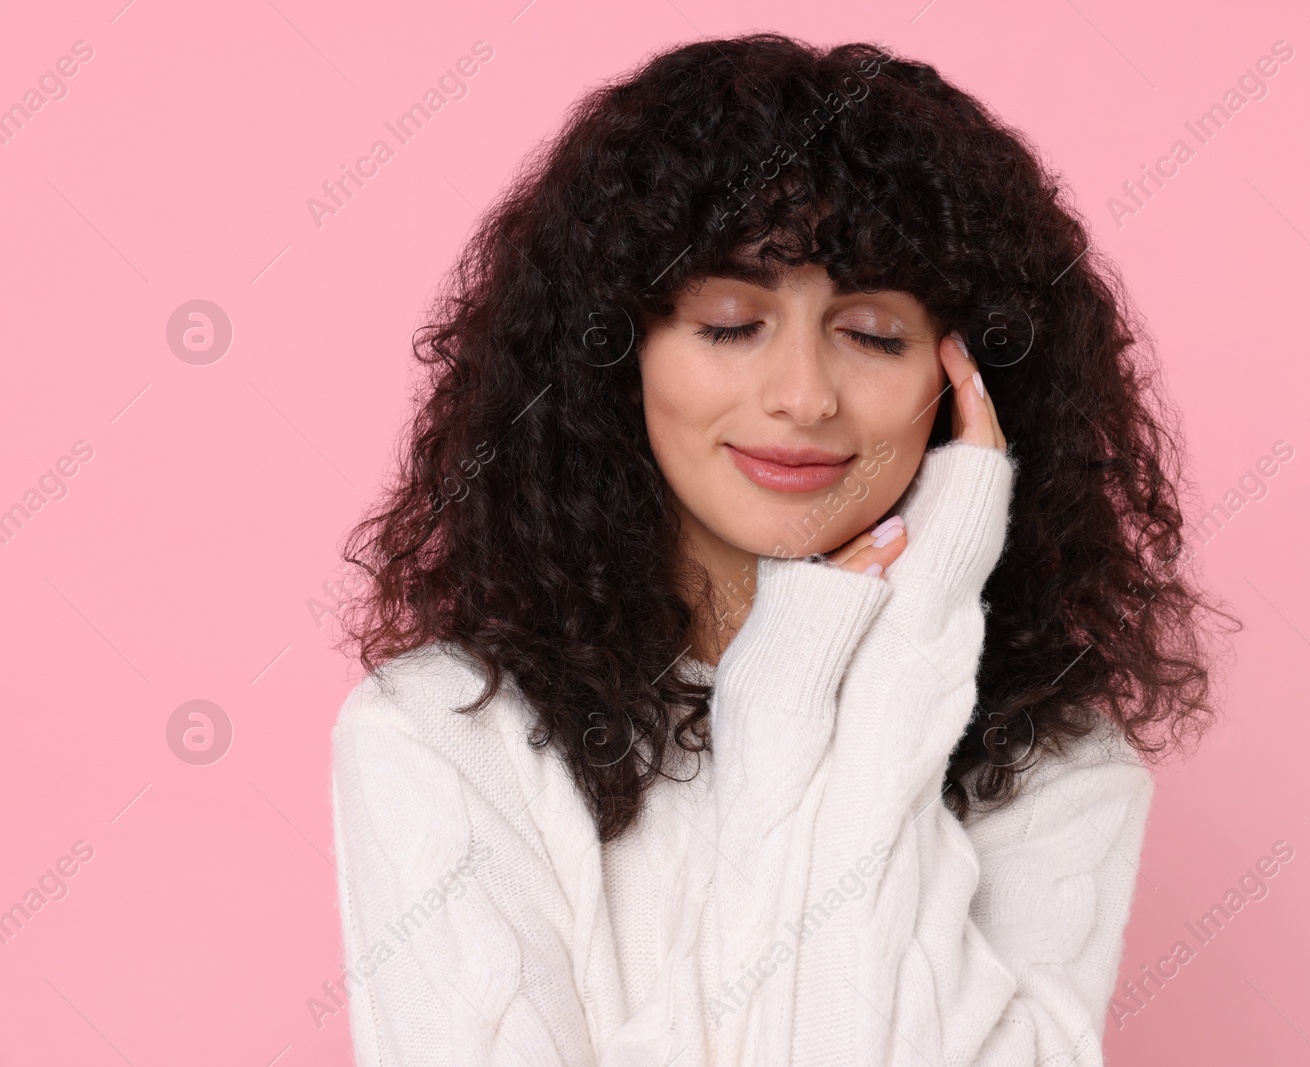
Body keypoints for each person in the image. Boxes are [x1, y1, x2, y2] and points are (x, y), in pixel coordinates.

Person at [327, 32, 1231, 1066]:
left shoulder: (1054, 764)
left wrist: (885, 666)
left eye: (874, 334)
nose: (802, 394)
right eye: (727, 324)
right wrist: (781, 693)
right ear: (613, 355)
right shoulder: (446, 734)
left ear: (965, 382)